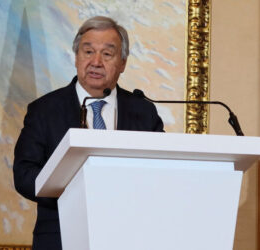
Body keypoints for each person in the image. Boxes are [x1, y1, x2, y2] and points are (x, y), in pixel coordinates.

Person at [13, 16, 164, 250]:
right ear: (76, 57)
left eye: (107, 54)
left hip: (128, 236)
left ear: (122, 63)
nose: (96, 62)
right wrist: (73, 188)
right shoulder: (45, 110)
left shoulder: (143, 112)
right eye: (88, 51)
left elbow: (161, 170)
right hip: (61, 236)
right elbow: (24, 175)